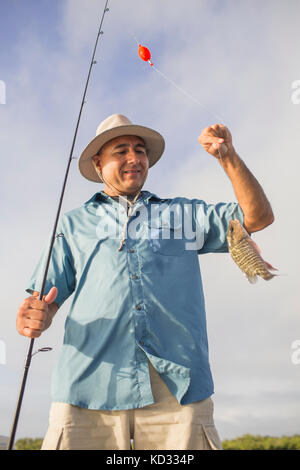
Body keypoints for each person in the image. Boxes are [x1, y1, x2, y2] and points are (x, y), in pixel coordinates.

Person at [16, 114, 274, 450]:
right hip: (89, 383)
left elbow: (256, 217)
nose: (134, 158)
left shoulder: (182, 214)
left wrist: (228, 156)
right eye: (120, 151)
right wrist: (36, 315)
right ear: (98, 163)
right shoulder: (73, 222)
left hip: (179, 386)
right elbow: (45, 299)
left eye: (140, 150)